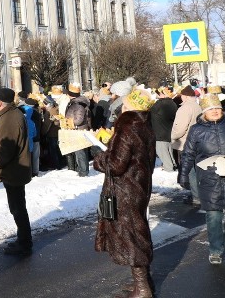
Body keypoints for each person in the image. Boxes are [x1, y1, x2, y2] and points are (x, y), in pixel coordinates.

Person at [93, 87, 157, 297]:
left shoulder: (127, 127)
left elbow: (116, 165)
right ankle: (143, 282)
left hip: (125, 189)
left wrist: (100, 158)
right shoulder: (143, 125)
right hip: (138, 186)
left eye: (125, 103)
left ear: (129, 105)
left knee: (131, 236)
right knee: (137, 231)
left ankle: (142, 289)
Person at [178, 93, 225, 264]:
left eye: (217, 108)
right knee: (214, 216)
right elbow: (188, 154)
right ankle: (216, 250)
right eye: (211, 109)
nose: (215, 111)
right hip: (209, 179)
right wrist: (183, 174)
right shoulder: (196, 130)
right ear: (204, 112)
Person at [0, 87, 33, 257]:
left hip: (13, 170)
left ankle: (24, 243)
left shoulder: (9, 118)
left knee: (18, 208)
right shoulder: (10, 115)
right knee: (17, 207)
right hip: (15, 169)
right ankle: (23, 239)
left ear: (1, 102)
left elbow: (6, 149)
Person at [171, 85, 202, 205]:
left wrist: (172, 136)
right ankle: (198, 194)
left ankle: (196, 196)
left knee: (189, 170)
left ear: (185, 96)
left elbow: (180, 128)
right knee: (195, 169)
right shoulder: (197, 106)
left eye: (182, 96)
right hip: (197, 142)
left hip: (185, 142)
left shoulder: (184, 108)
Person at [64, 83, 92, 176]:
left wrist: (67, 122)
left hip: (79, 130)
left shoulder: (78, 104)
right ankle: (81, 169)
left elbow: (79, 120)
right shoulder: (75, 102)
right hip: (76, 130)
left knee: (80, 151)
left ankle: (83, 171)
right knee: (79, 151)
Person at [151, 86, 178, 172]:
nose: (158, 95)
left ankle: (169, 169)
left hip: (160, 132)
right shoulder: (172, 103)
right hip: (169, 131)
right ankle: (173, 165)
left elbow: (149, 111)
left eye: (159, 93)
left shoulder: (159, 104)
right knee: (169, 151)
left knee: (162, 152)